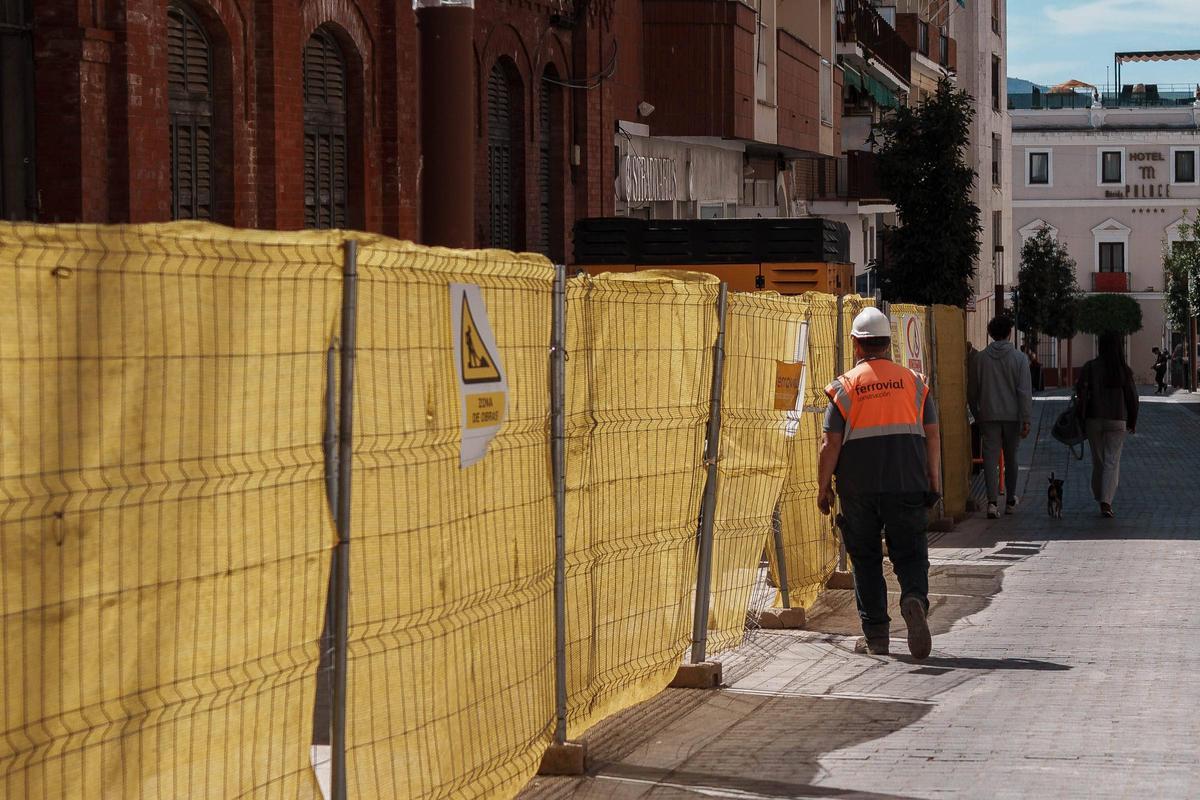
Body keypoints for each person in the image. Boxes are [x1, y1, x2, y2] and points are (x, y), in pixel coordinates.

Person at [817, 307, 940, 660]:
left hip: (859, 488)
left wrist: (823, 487)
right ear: (888, 344)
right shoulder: (915, 383)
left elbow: (830, 444)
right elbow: (932, 437)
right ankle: (914, 597)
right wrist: (933, 482)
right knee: (911, 551)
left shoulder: (846, 387)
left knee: (866, 559)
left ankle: (877, 636)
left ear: (856, 345)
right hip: (907, 482)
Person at [968, 316, 1033, 520]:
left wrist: (977, 414)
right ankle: (1011, 500)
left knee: (989, 458)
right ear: (1009, 333)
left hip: (988, 415)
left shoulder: (980, 359)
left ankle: (992, 502)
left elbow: (972, 391)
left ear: (990, 334)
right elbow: (1024, 392)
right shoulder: (1020, 359)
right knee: (1012, 457)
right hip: (1012, 416)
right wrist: (1026, 418)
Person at [1077, 333, 1138, 518]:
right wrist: (1133, 421)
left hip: (1093, 418)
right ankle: (1106, 500)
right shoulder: (1123, 370)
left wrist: (1080, 417)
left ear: (1100, 345)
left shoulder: (1090, 367)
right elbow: (1133, 398)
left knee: (1098, 460)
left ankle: (1100, 495)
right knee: (1112, 461)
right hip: (1117, 418)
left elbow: (1080, 392)